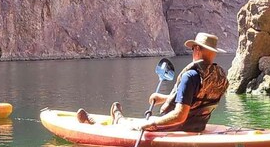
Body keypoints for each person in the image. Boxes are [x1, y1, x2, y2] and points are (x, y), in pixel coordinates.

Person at [76, 32, 229, 132]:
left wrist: (152, 123)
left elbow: (180, 115)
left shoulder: (190, 76)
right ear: (213, 53)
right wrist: (163, 98)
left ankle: (101, 122)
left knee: (128, 127)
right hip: (197, 126)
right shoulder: (219, 77)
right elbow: (195, 100)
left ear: (197, 49)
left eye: (194, 48)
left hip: (174, 128)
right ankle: (117, 117)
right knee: (138, 121)